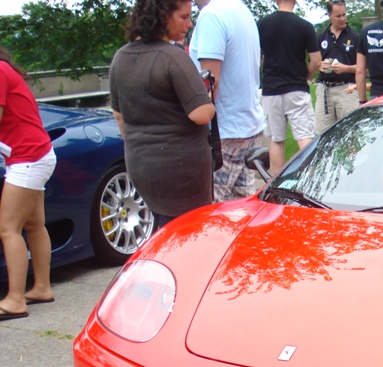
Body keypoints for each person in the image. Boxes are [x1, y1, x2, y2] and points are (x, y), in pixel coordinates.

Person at [109, 0, 217, 230]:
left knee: (162, 230)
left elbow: (119, 115)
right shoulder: (173, 57)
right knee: (186, 234)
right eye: (183, 17)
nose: (189, 24)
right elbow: (201, 114)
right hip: (181, 172)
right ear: (163, 15)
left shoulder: (120, 57)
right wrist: (205, 94)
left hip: (140, 165)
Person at [0, 47, 57, 320]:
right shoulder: (4, 69)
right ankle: (42, 288)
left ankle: (15, 300)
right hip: (37, 154)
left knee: (8, 229)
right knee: (34, 225)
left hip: (28, 157)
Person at [190, 0, 266, 201]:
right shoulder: (241, 10)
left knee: (211, 210)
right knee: (241, 208)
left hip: (224, 132)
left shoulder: (212, 15)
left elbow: (209, 84)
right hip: (247, 124)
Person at [257, 0, 321, 173]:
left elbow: (258, 57)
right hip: (296, 89)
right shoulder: (304, 26)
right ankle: (310, 180)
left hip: (271, 90)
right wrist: (303, 76)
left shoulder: (262, 24)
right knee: (304, 137)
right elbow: (316, 61)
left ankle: (276, 182)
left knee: (276, 140)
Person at [315, 1, 359, 134]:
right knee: (322, 135)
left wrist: (346, 68)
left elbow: (364, 68)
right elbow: (313, 62)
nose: (342, 19)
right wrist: (319, 65)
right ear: (329, 15)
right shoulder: (320, 37)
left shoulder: (355, 37)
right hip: (324, 90)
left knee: (350, 133)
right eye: (338, 16)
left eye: (344, 15)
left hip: (347, 89)